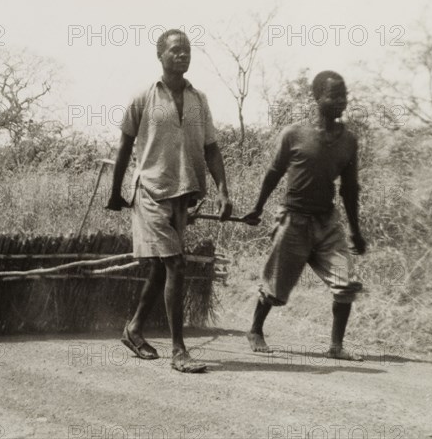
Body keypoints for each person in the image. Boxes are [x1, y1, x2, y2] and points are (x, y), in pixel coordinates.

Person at [107, 29, 232, 373]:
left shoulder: (198, 100)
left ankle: (133, 329)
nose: (182, 55)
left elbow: (211, 148)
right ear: (160, 56)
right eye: (175, 50)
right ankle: (179, 351)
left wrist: (223, 192)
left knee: (164, 267)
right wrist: (115, 193)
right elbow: (124, 146)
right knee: (176, 264)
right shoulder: (143, 97)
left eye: (187, 50)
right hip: (149, 190)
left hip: (184, 192)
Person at [243, 70, 366, 361]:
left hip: (327, 223)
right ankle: (256, 330)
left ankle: (336, 346)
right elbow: (273, 174)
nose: (341, 101)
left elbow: (349, 188)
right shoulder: (294, 134)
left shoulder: (349, 141)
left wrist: (355, 230)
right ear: (317, 97)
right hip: (293, 221)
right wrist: (257, 208)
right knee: (275, 288)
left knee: (345, 282)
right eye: (334, 95)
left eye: (344, 95)